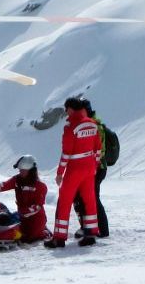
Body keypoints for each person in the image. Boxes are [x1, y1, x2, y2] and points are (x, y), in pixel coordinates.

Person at [45, 97, 102, 249]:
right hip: (89, 167)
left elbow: (66, 153)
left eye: (66, 108)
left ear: (71, 109)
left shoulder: (71, 128)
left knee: (64, 201)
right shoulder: (93, 124)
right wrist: (94, 165)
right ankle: (90, 233)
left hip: (75, 169)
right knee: (89, 201)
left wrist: (59, 173)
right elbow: (98, 148)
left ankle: (59, 237)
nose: (65, 112)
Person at [0, 155, 50, 243]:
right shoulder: (17, 180)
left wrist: (23, 212)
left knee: (31, 238)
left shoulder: (40, 186)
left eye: (23, 170)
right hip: (22, 218)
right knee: (17, 236)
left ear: (31, 170)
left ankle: (45, 232)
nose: (20, 172)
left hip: (36, 219)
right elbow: (3, 185)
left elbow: (37, 207)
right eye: (20, 170)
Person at [74, 99, 110, 238]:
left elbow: (98, 150)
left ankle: (100, 229)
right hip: (90, 168)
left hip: (96, 168)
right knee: (82, 197)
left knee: (92, 198)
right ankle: (87, 227)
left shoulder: (94, 125)